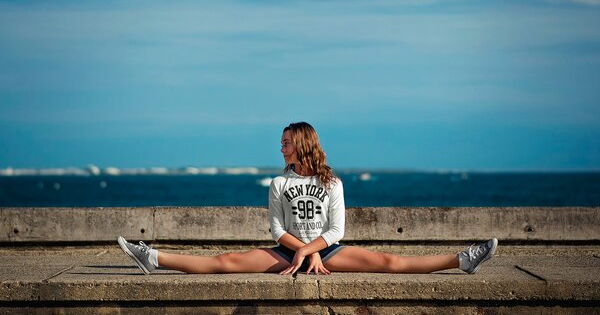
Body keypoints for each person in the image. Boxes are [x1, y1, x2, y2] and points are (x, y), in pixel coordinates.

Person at [118, 121, 497, 276]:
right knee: (225, 261)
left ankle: (463, 260)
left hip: (327, 249)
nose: (280, 147)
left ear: (300, 145)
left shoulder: (333, 182)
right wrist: (303, 251)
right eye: (281, 143)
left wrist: (314, 250)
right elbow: (277, 229)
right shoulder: (278, 185)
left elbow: (337, 229)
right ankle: (152, 257)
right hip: (288, 251)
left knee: (389, 261)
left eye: (285, 142)